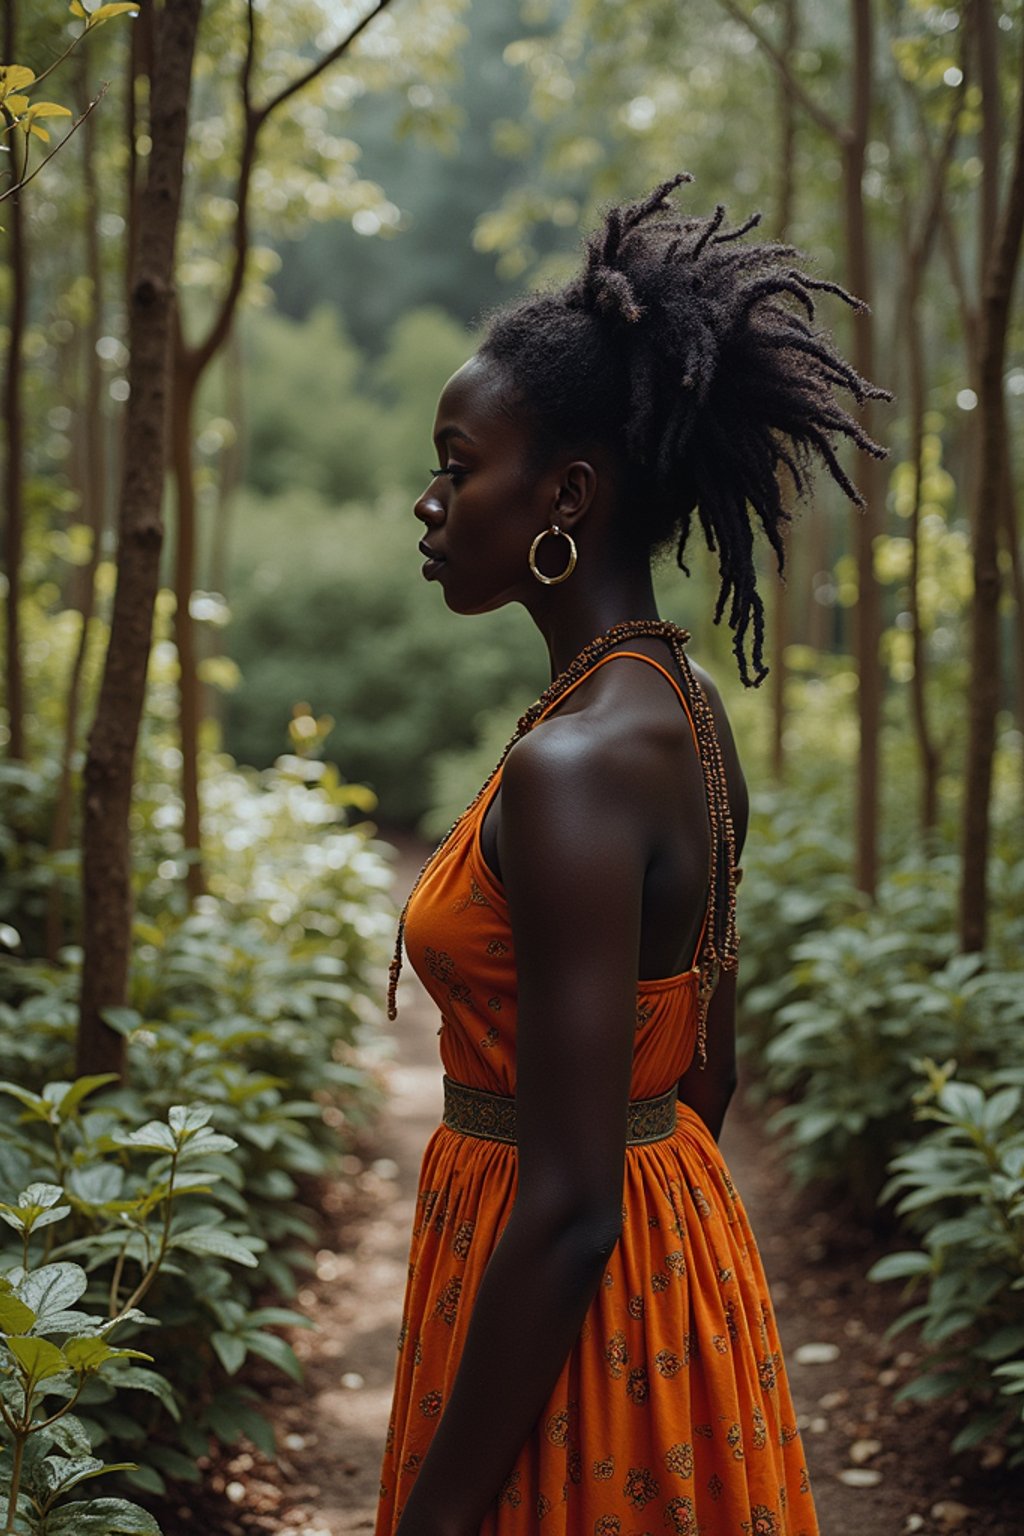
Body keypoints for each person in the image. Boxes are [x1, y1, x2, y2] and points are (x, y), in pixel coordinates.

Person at [374, 173, 888, 1536]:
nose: (429, 502)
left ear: (570, 495)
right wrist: (658, 1276)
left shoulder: (574, 768)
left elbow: (566, 1203)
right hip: (669, 1285)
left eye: (456, 461)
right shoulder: (681, 711)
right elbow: (701, 1068)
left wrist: (441, 1516)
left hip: (564, 1320)